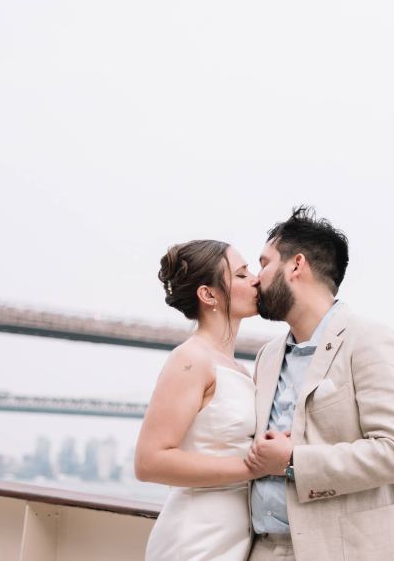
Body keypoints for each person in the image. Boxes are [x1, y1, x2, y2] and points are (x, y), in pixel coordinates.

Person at [244, 206, 394, 561]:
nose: (255, 278)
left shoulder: (370, 340)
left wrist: (293, 460)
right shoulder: (266, 356)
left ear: (296, 265)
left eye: (264, 263)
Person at [136, 240, 260, 561]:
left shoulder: (239, 369)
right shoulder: (190, 359)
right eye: (243, 274)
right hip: (194, 540)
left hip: (232, 537)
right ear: (209, 295)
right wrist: (254, 468)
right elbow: (149, 462)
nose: (257, 280)